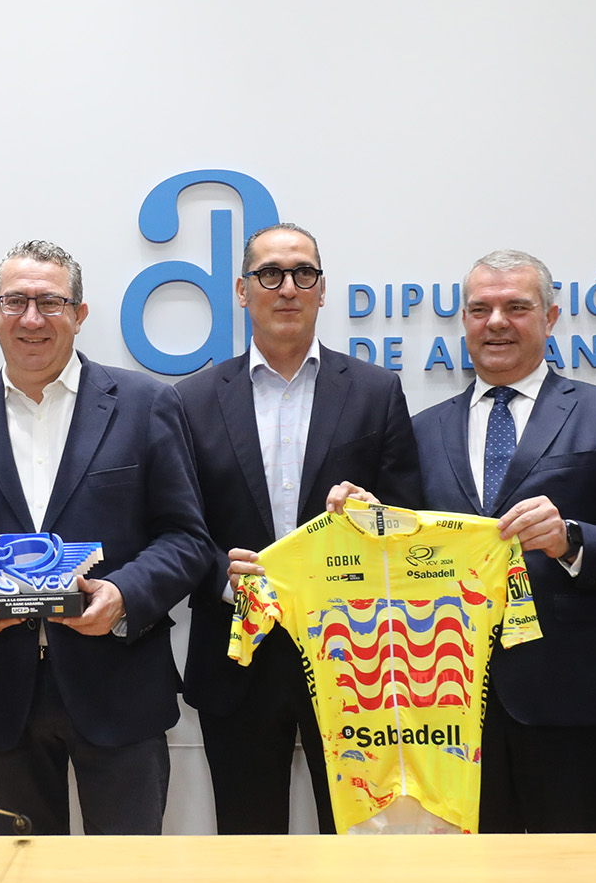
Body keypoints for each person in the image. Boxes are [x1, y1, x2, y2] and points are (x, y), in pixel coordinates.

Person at [0, 239, 210, 836]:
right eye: (15, 301)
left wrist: (123, 595)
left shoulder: (146, 405)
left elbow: (186, 538)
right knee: (21, 881)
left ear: (80, 313)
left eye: (50, 302)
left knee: (128, 878)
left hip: (119, 687)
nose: (32, 318)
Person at [392, 249, 596, 833]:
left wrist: (572, 540)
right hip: (450, 706)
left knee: (571, 877)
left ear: (550, 318)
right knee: (472, 880)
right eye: (480, 309)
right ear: (464, 320)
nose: (496, 322)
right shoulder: (421, 429)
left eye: (516, 307)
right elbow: (404, 555)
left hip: (572, 701)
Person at [177, 221, 420, 833]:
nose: (287, 288)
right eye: (270, 274)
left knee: (357, 842)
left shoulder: (376, 391)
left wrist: (371, 516)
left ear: (321, 288)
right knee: (248, 845)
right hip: (236, 656)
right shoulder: (191, 400)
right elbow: (178, 527)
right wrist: (223, 578)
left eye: (302, 274)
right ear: (241, 290)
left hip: (353, 659)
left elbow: (407, 521)